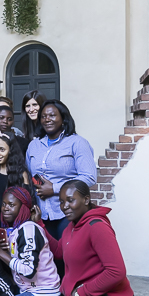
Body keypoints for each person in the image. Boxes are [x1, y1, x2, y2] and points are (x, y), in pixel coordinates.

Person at [26, 99, 96, 240]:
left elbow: (89, 176)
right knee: (47, 258)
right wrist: (41, 187)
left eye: (52, 115)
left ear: (63, 118)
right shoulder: (34, 145)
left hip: (68, 213)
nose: (47, 120)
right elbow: (30, 173)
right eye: (43, 116)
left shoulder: (77, 143)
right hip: (41, 213)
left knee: (67, 257)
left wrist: (54, 188)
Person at [0, 131, 32, 231]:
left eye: (2, 150)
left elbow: (26, 203)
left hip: (14, 224)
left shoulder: (21, 174)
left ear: (11, 151)